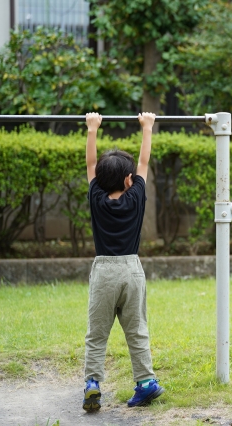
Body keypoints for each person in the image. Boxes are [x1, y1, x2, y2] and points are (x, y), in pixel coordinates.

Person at [82, 112, 164, 411]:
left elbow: (91, 164)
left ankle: (92, 383)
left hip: (104, 271)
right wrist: (148, 127)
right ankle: (146, 382)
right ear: (130, 180)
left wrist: (92, 129)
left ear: (100, 181)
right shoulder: (136, 197)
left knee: (97, 332)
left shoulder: (97, 198)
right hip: (131, 270)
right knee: (137, 329)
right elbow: (144, 162)